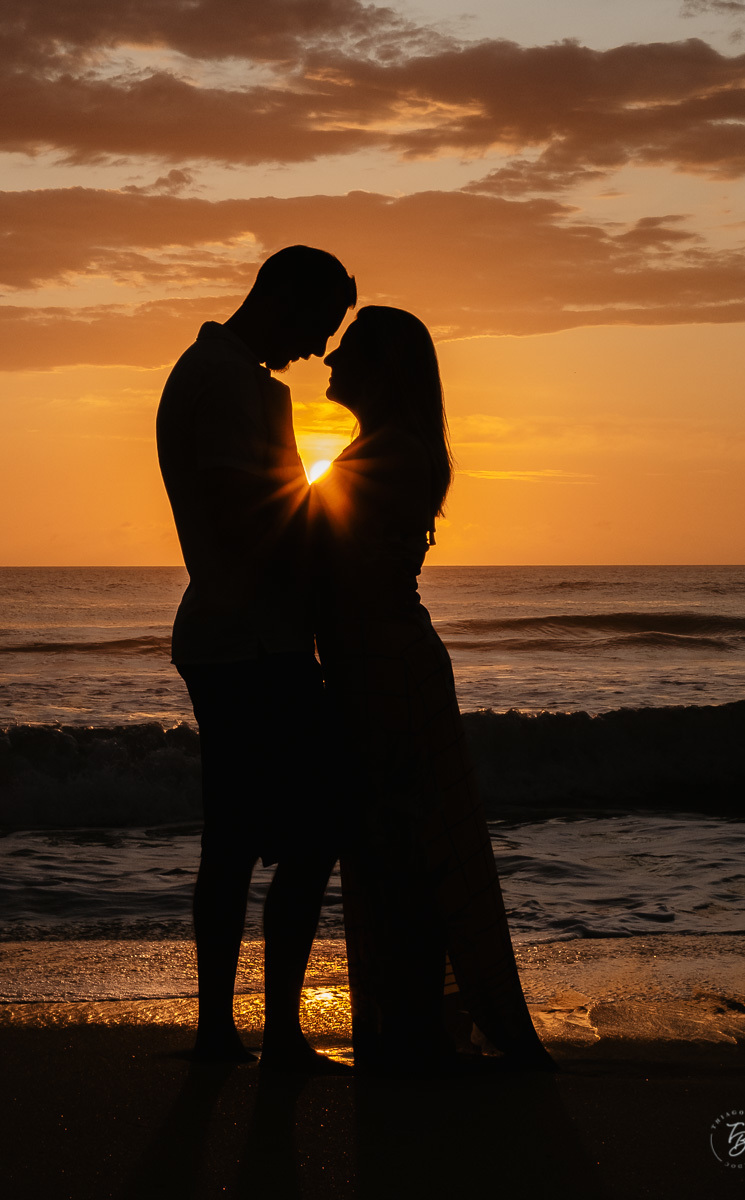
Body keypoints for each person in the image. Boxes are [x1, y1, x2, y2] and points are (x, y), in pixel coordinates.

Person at [310, 306, 556, 1073]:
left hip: (389, 670)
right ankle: (408, 1023)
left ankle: (415, 1027)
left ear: (384, 370)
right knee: (393, 845)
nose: (328, 363)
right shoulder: (381, 449)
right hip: (374, 664)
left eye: (346, 351)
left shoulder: (395, 455)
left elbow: (345, 571)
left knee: (405, 847)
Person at [156, 245, 356, 1066]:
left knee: (241, 836)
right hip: (247, 640)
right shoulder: (225, 380)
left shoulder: (229, 377)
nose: (316, 348)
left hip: (244, 634)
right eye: (316, 323)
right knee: (299, 833)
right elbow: (246, 513)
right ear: (283, 298)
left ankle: (239, 1029)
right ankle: (260, 1030)